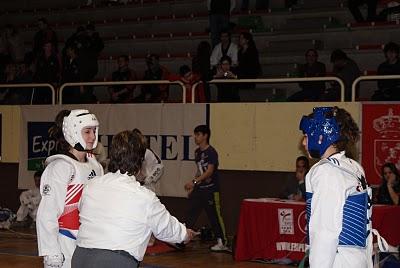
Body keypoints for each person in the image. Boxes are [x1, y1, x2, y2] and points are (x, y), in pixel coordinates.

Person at [72, 130, 195, 268]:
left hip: (79, 258)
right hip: (114, 262)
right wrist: (185, 234)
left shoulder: (91, 186)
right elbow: (168, 230)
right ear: (140, 161)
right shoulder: (144, 197)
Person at [299, 106, 373, 267]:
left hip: (338, 259)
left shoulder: (326, 171)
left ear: (321, 135)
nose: (303, 142)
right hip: (357, 258)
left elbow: (325, 230)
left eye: (306, 136)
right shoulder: (353, 166)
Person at [36, 109, 104, 268]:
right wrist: (51, 250)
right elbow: (47, 212)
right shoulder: (60, 167)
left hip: (90, 242)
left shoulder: (95, 165)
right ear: (73, 133)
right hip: (65, 242)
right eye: (87, 132)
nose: (93, 136)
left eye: (94, 131)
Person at [184, 125, 228, 252]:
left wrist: (194, 182)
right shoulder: (197, 152)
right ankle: (182, 238)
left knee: (214, 215)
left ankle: (222, 241)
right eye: (195, 134)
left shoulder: (211, 152)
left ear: (205, 136)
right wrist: (194, 185)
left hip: (211, 189)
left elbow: (209, 171)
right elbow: (199, 171)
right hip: (200, 188)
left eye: (198, 134)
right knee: (190, 212)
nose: (195, 137)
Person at [132, 128, 164, 247]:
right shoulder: (132, 153)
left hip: (147, 187)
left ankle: (151, 237)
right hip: (136, 187)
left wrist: (148, 179)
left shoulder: (147, 152)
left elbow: (160, 166)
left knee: (149, 212)